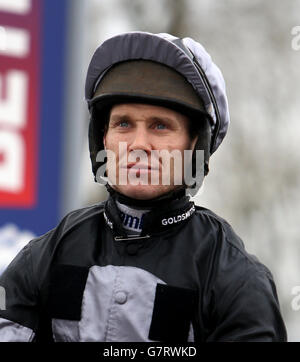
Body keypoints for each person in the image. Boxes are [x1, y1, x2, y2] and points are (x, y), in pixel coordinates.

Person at [0, 31, 287, 342]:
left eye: (159, 126)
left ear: (194, 145)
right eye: (123, 123)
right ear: (103, 140)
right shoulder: (47, 255)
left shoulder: (236, 278)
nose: (138, 145)